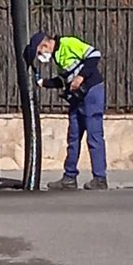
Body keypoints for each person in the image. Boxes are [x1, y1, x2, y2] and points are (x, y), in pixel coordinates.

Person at [24, 32, 108, 191]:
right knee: (73, 136)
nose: (42, 56)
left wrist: (81, 77)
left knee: (94, 136)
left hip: (91, 92)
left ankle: (99, 178)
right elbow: (64, 80)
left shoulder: (67, 43)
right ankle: (69, 177)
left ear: (46, 45)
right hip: (77, 97)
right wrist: (44, 83)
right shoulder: (57, 57)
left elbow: (94, 54)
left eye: (40, 52)